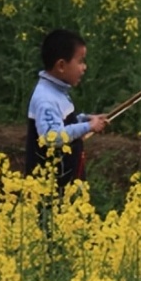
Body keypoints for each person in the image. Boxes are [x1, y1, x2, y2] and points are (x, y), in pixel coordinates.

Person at [25, 28, 108, 188]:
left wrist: (85, 119)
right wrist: (88, 126)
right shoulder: (46, 99)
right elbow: (52, 137)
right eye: (80, 61)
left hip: (66, 186)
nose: (84, 67)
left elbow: (63, 124)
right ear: (61, 66)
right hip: (50, 191)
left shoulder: (57, 91)